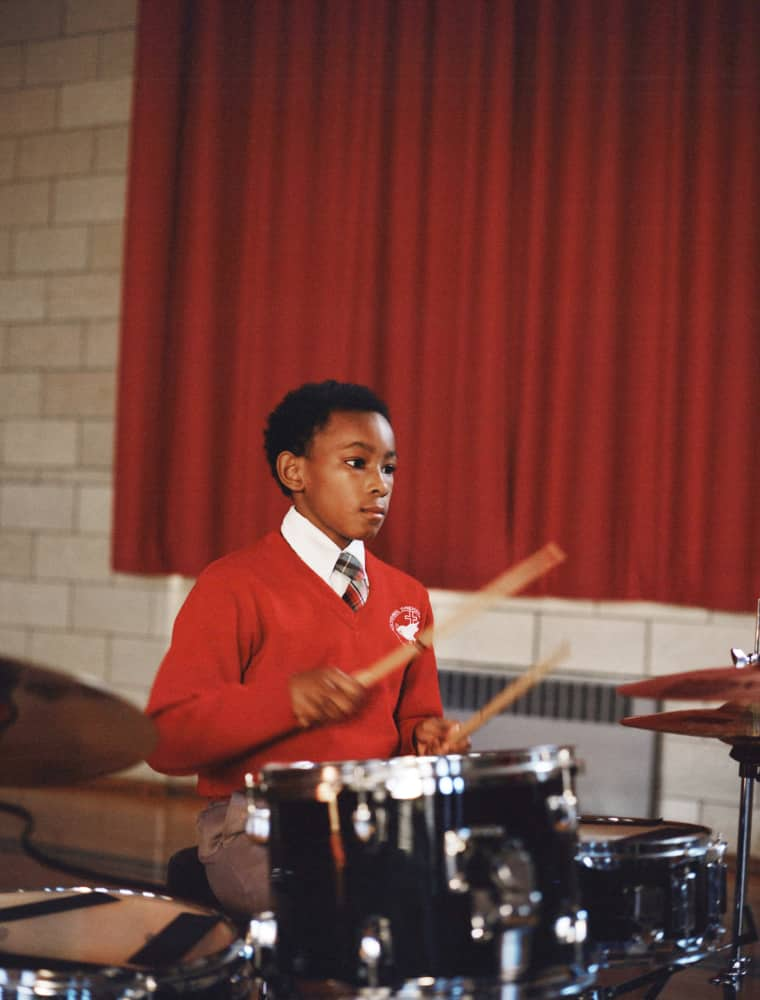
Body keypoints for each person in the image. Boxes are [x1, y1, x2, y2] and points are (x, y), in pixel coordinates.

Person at [145, 379, 469, 918]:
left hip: (374, 819)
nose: (380, 485)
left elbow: (416, 718)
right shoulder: (233, 586)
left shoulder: (408, 596)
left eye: (388, 467)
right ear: (294, 471)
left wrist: (426, 737)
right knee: (354, 916)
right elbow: (166, 739)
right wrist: (285, 701)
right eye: (357, 463)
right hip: (260, 827)